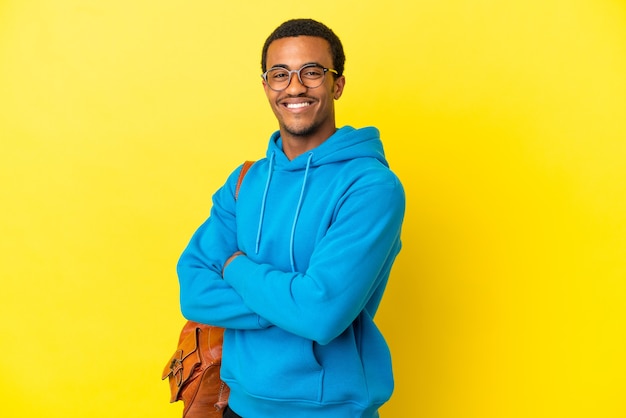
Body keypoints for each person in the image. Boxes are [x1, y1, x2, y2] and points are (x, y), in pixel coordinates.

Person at [177, 18, 405, 418]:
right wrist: (294, 303)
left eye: (311, 73)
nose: (295, 87)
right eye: (279, 74)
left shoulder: (371, 187)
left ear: (337, 84)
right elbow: (194, 292)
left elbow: (320, 315)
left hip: (330, 412)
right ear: (266, 86)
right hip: (237, 405)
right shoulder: (245, 182)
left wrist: (235, 267)